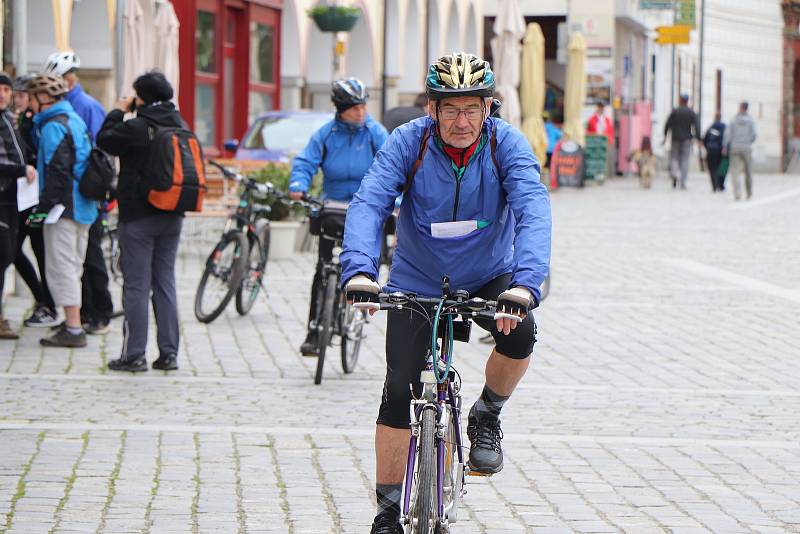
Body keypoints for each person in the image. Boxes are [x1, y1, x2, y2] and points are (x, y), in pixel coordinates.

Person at [340, 52, 551, 534]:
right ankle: (388, 511)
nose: (462, 120)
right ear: (431, 108)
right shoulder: (408, 142)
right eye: (451, 108)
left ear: (488, 108)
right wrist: (359, 271)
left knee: (521, 336)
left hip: (488, 275)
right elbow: (371, 199)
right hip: (417, 278)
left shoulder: (505, 145)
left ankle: (486, 413)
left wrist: (524, 285)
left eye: (473, 108)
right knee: (398, 390)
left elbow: (533, 209)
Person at [288, 77, 389, 357]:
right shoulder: (326, 134)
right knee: (322, 271)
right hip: (332, 208)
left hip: (366, 209)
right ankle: (313, 329)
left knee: (369, 259)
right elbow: (306, 162)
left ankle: (361, 301)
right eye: (354, 108)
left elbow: (395, 165)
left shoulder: (374, 132)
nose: (361, 113)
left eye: (363, 107)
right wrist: (298, 184)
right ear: (340, 109)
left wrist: (399, 198)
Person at [96, 71, 186, 372]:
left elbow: (104, 139)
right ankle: (169, 354)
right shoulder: (180, 124)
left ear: (141, 97)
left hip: (138, 216)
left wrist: (120, 110)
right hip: (173, 214)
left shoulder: (137, 127)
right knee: (165, 282)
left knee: (136, 285)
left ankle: (133, 354)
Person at [42, 51, 113, 334]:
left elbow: (98, 152)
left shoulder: (85, 107)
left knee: (90, 256)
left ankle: (99, 312)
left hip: (85, 193)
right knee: (78, 258)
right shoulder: (66, 108)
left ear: (67, 80)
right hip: (78, 194)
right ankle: (80, 313)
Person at [27, 73, 95, 348]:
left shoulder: (54, 126)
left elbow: (57, 171)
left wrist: (42, 210)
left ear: (43, 99)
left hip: (64, 208)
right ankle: (73, 323)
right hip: (84, 206)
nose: (30, 105)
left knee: (61, 267)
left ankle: (73, 328)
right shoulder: (74, 119)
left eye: (31, 98)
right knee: (74, 266)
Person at [12, 75, 59, 328]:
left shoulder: (37, 122)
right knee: (13, 251)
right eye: (17, 95)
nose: (19, 100)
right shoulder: (19, 120)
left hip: (35, 198)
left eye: (23, 96)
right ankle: (44, 299)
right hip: (21, 197)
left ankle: (48, 304)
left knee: (41, 253)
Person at [0, 72, 38, 339]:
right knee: (4, 254)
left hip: (14, 199)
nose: (3, 94)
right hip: (2, 197)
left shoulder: (9, 120)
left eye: (6, 90)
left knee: (7, 255)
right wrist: (20, 169)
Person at [663, 93, 700, 190]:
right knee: (685, 160)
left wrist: (665, 136)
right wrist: (698, 138)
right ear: (687, 101)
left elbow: (667, 124)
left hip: (675, 138)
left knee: (674, 157)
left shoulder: (675, 111)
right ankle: (683, 182)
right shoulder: (691, 112)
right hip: (687, 139)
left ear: (680, 100)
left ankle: (674, 174)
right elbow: (696, 125)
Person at [722, 102, 757, 201]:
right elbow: (754, 135)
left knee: (735, 171)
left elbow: (727, 134)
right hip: (747, 147)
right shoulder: (751, 121)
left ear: (741, 108)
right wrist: (748, 141)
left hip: (735, 147)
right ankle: (749, 192)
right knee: (748, 171)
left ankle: (738, 194)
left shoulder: (734, 120)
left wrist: (725, 146)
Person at [703, 113, 727, 192]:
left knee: (712, 168)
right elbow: (725, 138)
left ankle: (714, 185)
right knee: (720, 168)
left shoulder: (711, 127)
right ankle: (720, 185)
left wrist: (707, 147)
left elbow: (705, 139)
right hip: (720, 150)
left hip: (710, 150)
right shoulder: (724, 127)